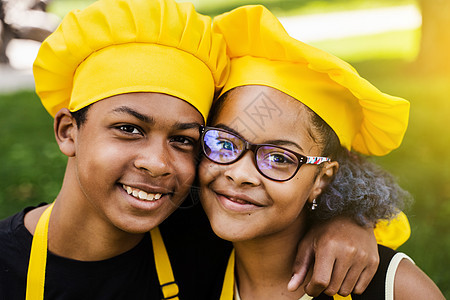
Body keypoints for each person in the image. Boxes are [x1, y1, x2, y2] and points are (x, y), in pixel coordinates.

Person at [0, 0, 412, 299]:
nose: (157, 164)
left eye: (184, 140)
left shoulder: (203, 233)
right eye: (128, 128)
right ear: (68, 130)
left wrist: (348, 220)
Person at [197, 5, 445, 299]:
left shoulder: (393, 288)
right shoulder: (192, 266)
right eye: (226, 143)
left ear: (322, 179)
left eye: (279, 158)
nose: (239, 174)